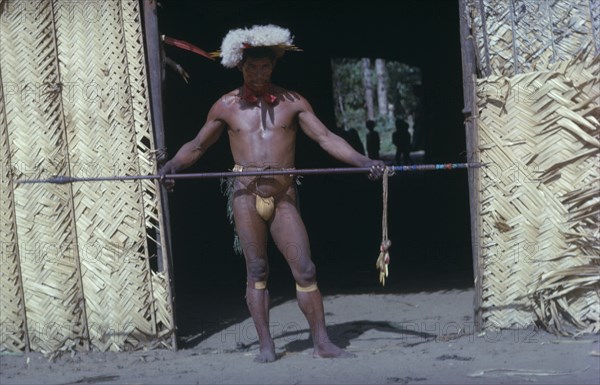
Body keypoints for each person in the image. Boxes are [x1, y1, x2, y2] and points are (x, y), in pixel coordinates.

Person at [159, 25, 385, 363]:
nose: (259, 74)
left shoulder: (293, 103)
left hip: (283, 198)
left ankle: (322, 342)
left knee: (305, 269)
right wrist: (173, 166)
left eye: (265, 67)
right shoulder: (226, 106)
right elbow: (197, 145)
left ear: (273, 66)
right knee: (257, 270)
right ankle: (267, 345)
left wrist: (363, 161)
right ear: (240, 67)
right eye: (253, 68)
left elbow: (325, 138)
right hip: (246, 197)